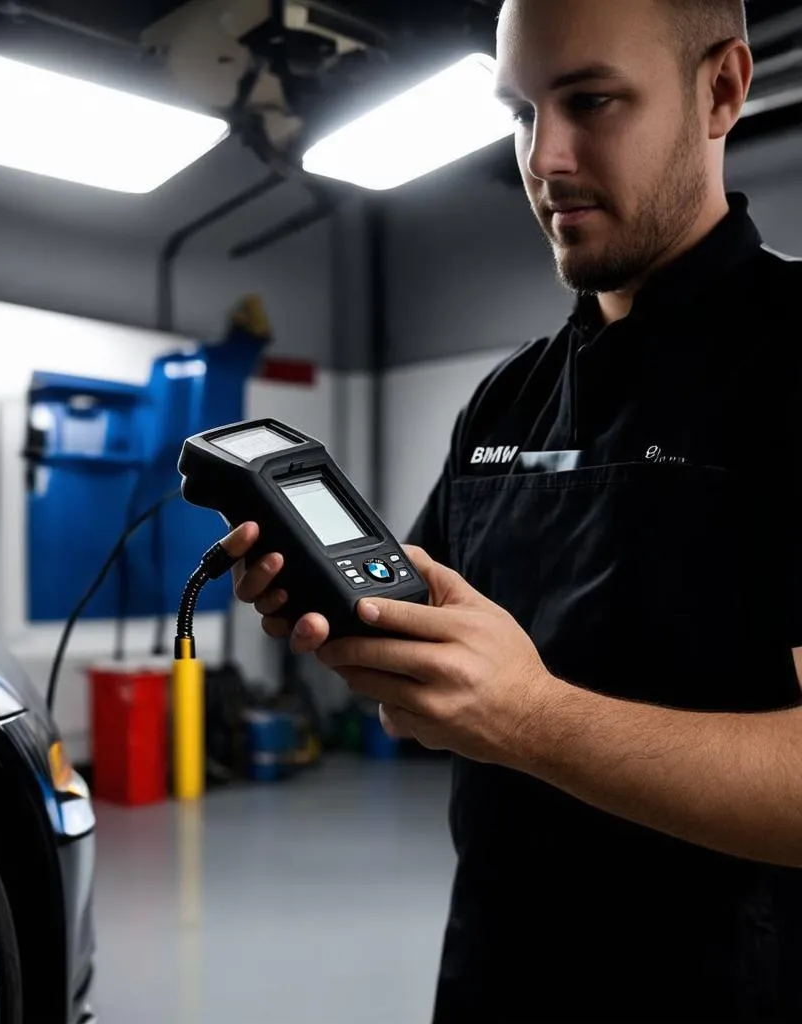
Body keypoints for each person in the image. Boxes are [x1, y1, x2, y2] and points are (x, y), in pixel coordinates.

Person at [222, 0, 802, 1018]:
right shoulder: (504, 398)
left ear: (721, 89)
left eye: (589, 101)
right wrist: (353, 630)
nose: (544, 158)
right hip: (494, 977)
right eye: (520, 112)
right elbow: (432, 693)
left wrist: (530, 718)